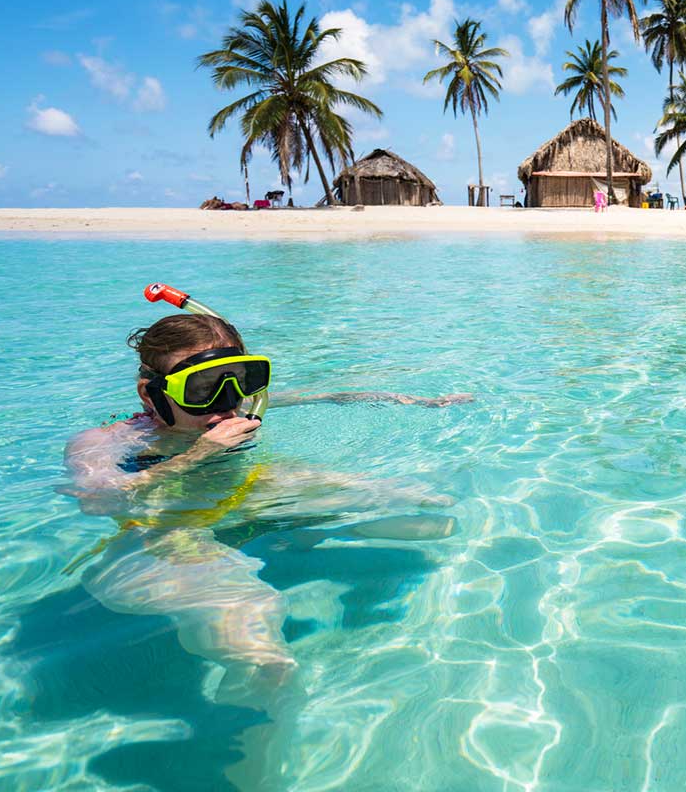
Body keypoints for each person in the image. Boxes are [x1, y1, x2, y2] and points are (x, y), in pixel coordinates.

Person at [62, 289, 468, 778]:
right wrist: (196, 456)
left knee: (427, 508)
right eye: (202, 388)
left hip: (250, 494)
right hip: (166, 534)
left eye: (238, 382)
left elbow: (323, 395)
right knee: (265, 661)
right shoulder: (108, 441)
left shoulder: (235, 410)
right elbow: (98, 500)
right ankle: (248, 769)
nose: (226, 405)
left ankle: (292, 536)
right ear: (151, 394)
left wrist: (417, 401)